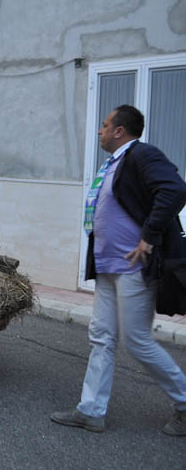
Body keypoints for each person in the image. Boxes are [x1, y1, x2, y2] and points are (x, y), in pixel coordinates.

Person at [50, 105, 186, 436]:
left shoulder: (141, 155)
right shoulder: (114, 164)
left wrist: (148, 237)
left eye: (104, 125)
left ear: (119, 131)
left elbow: (176, 190)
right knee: (101, 336)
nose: (100, 131)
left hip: (133, 266)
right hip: (109, 265)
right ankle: (91, 410)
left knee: (136, 340)